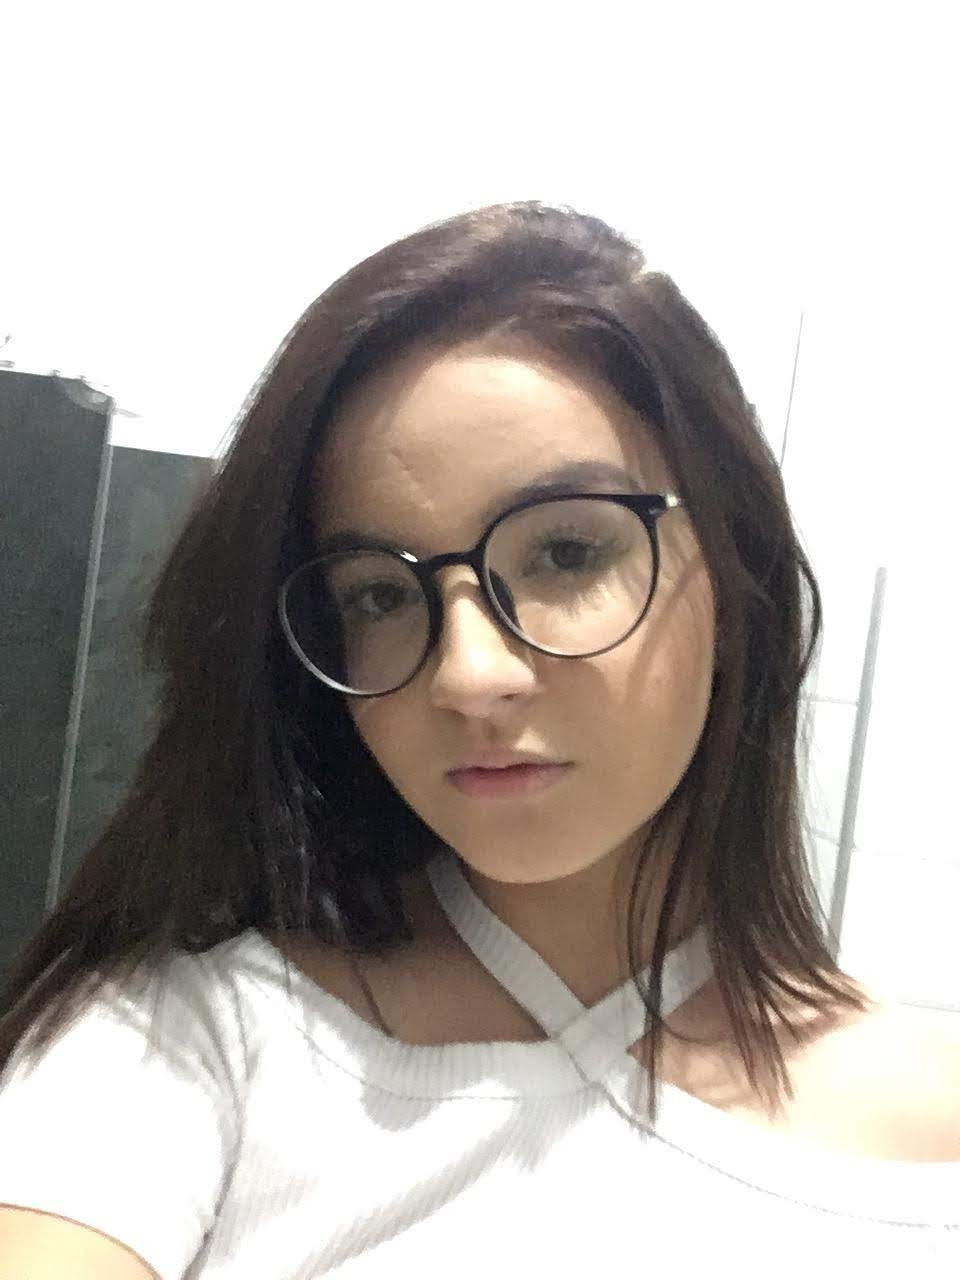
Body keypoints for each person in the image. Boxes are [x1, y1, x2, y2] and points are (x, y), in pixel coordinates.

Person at [0, 200, 957, 1278]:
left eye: (565, 552)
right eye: (377, 594)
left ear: (737, 569)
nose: (467, 675)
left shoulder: (931, 1148)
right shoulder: (181, 1049)